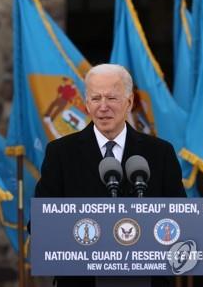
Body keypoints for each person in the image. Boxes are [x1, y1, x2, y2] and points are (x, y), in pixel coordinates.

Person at [34, 63, 186, 287]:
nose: (103, 107)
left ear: (129, 102)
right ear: (86, 104)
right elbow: (39, 223)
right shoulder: (60, 153)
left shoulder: (160, 153)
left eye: (112, 98)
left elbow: (180, 219)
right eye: (95, 99)